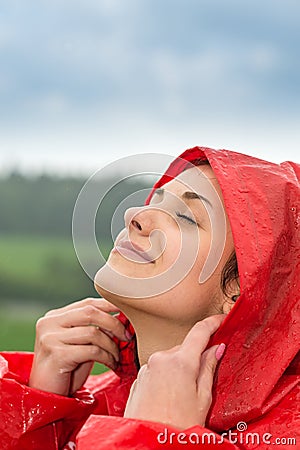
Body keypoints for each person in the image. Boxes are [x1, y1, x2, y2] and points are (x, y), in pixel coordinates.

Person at [0, 146, 299, 450]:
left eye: (184, 217)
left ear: (242, 290)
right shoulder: (91, 396)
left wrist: (154, 438)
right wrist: (41, 410)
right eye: (155, 201)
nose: (134, 215)